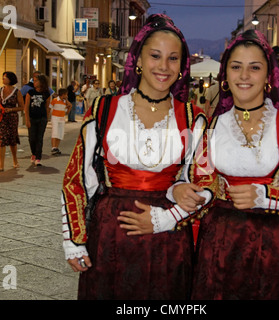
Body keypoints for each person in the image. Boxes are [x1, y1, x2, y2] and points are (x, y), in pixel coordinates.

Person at [61, 14, 207, 300]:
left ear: (181, 67)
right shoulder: (104, 109)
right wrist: (73, 241)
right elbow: (76, 179)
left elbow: (205, 181)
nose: (163, 66)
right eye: (155, 56)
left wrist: (170, 212)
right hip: (110, 235)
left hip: (167, 233)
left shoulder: (194, 118)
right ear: (138, 60)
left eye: (173, 58)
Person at [180, 29, 279, 300]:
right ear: (226, 75)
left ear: (268, 76)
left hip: (275, 245)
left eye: (255, 67)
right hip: (218, 247)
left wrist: (265, 197)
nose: (245, 76)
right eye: (236, 67)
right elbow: (200, 185)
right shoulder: (211, 127)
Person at [0, 71, 25, 172]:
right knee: (1, 140)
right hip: (1, 118)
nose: (3, 79)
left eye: (5, 77)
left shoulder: (16, 92)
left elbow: (21, 107)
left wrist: (11, 110)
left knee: (12, 140)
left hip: (12, 118)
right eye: (3, 77)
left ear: (11, 79)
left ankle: (15, 160)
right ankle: (1, 164)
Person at [24, 74, 51, 166]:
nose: (34, 82)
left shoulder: (46, 93)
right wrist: (27, 119)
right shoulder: (30, 92)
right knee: (32, 138)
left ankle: (38, 157)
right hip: (32, 118)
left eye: (36, 81)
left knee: (39, 138)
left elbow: (47, 107)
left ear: (41, 82)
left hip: (42, 118)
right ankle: (34, 153)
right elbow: (26, 107)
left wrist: (47, 118)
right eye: (34, 81)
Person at [50, 88, 72, 155]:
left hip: (62, 118)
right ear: (63, 94)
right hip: (55, 118)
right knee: (55, 132)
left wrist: (67, 101)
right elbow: (50, 107)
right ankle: (53, 147)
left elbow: (69, 107)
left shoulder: (65, 102)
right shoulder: (55, 100)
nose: (67, 96)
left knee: (60, 133)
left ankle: (56, 147)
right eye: (66, 95)